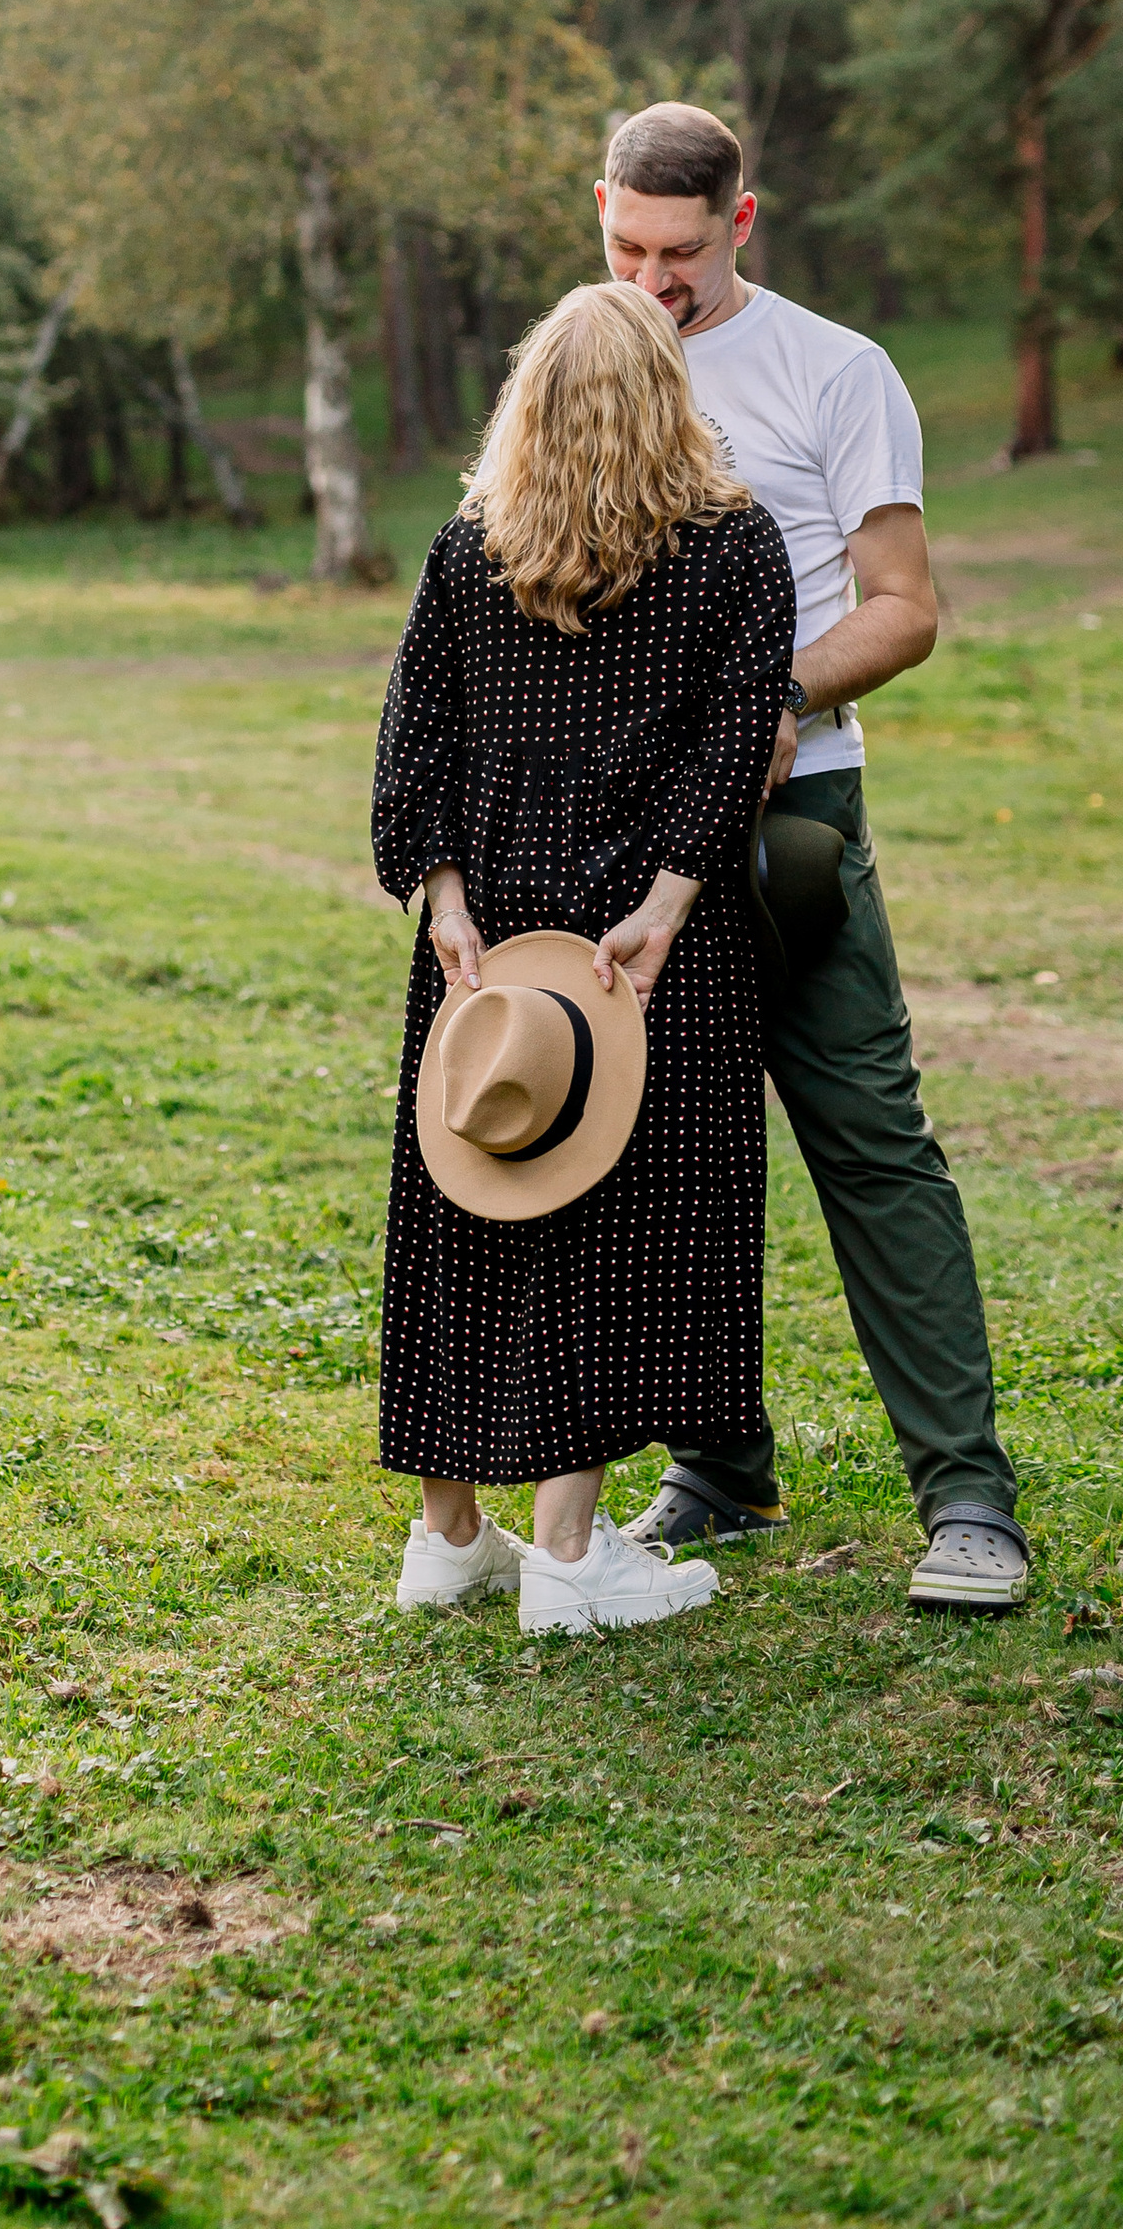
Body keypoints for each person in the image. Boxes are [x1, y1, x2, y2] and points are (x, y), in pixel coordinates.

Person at [596, 101, 1026, 1613]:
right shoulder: (584, 356)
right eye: (627, 247)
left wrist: (772, 700)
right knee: (659, 1151)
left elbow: (902, 605)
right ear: (601, 213)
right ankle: (719, 1469)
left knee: (870, 1144)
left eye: (681, 252)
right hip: (619, 825)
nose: (653, 282)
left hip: (790, 824)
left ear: (741, 221)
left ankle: (968, 1500)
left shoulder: (835, 371)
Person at [372, 279, 796, 1637]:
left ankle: (448, 1536)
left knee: (466, 1204)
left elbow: (413, 735)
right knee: (621, 1222)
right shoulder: (734, 549)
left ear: (529, 402)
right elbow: (741, 738)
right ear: (672, 400)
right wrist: (668, 901)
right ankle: (566, 1553)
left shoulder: (469, 548)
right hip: (636, 945)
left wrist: (443, 897)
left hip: (491, 945)